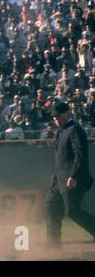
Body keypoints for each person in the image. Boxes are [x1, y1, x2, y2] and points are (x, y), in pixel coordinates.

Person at [45, 102, 95, 249]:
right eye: (53, 117)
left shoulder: (75, 130)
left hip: (72, 179)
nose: (56, 119)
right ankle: (53, 247)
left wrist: (74, 175)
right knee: (50, 205)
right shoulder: (61, 131)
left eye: (58, 116)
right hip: (59, 179)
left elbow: (80, 156)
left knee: (72, 212)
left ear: (67, 113)